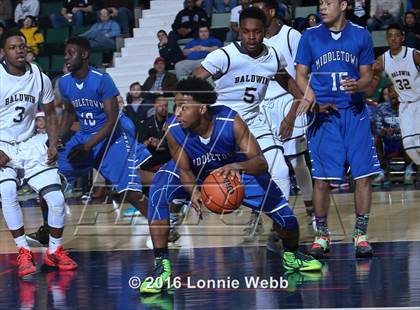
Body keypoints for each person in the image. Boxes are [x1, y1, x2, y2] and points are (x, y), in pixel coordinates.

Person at [139, 77, 322, 294]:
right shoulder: (173, 127)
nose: (177, 112)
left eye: (183, 107)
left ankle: (291, 255)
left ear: (202, 108)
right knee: (159, 188)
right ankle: (162, 267)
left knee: (287, 220)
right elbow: (184, 169)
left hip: (232, 170)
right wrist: (193, 191)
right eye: (176, 106)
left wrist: (237, 166)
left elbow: (261, 162)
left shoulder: (230, 121)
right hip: (193, 172)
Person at [193, 7, 315, 219]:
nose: (251, 37)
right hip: (225, 124)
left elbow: (286, 80)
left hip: (254, 121)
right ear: (239, 31)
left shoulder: (272, 55)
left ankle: (279, 226)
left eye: (257, 32)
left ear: (264, 30)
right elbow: (192, 81)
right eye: (246, 31)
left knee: (280, 170)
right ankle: (176, 215)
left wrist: (297, 103)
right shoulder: (224, 56)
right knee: (193, 171)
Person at [29, 37, 152, 245]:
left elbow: (112, 120)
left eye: (71, 53)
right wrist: (56, 139)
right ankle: (47, 229)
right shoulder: (65, 82)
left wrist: (88, 146)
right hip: (85, 135)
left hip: (111, 137)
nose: (66, 57)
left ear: (84, 54)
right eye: (65, 53)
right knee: (49, 177)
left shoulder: (102, 79)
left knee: (129, 191)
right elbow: (68, 114)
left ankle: (162, 224)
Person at [295, 0, 381, 258]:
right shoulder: (309, 36)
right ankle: (322, 235)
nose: (322, 7)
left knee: (363, 176)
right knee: (322, 179)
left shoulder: (361, 34)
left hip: (354, 113)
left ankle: (360, 234)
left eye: (328, 2)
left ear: (343, 5)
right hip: (324, 114)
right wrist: (313, 99)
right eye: (320, 3)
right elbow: (300, 74)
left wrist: (360, 85)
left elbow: (367, 75)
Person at [0, 30, 77, 277]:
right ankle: (23, 251)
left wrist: (53, 143)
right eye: (13, 47)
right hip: (3, 144)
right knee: (8, 190)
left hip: (32, 143)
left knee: (56, 200)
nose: (19, 50)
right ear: (4, 53)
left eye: (22, 46)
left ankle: (54, 251)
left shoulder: (40, 77)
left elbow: (51, 114)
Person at [253, 0, 315, 226]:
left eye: (259, 11)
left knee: (298, 163)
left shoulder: (291, 36)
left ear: (271, 12)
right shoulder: (253, 41)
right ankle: (265, 213)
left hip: (289, 101)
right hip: (263, 106)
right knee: (267, 162)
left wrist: (294, 111)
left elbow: (303, 74)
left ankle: (311, 211)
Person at [367, 23, 420, 166]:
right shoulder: (382, 60)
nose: (393, 39)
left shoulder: (413, 54)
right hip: (405, 106)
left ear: (402, 38)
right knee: (409, 146)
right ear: (386, 39)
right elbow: (372, 80)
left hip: (419, 101)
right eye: (390, 36)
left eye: (397, 35)